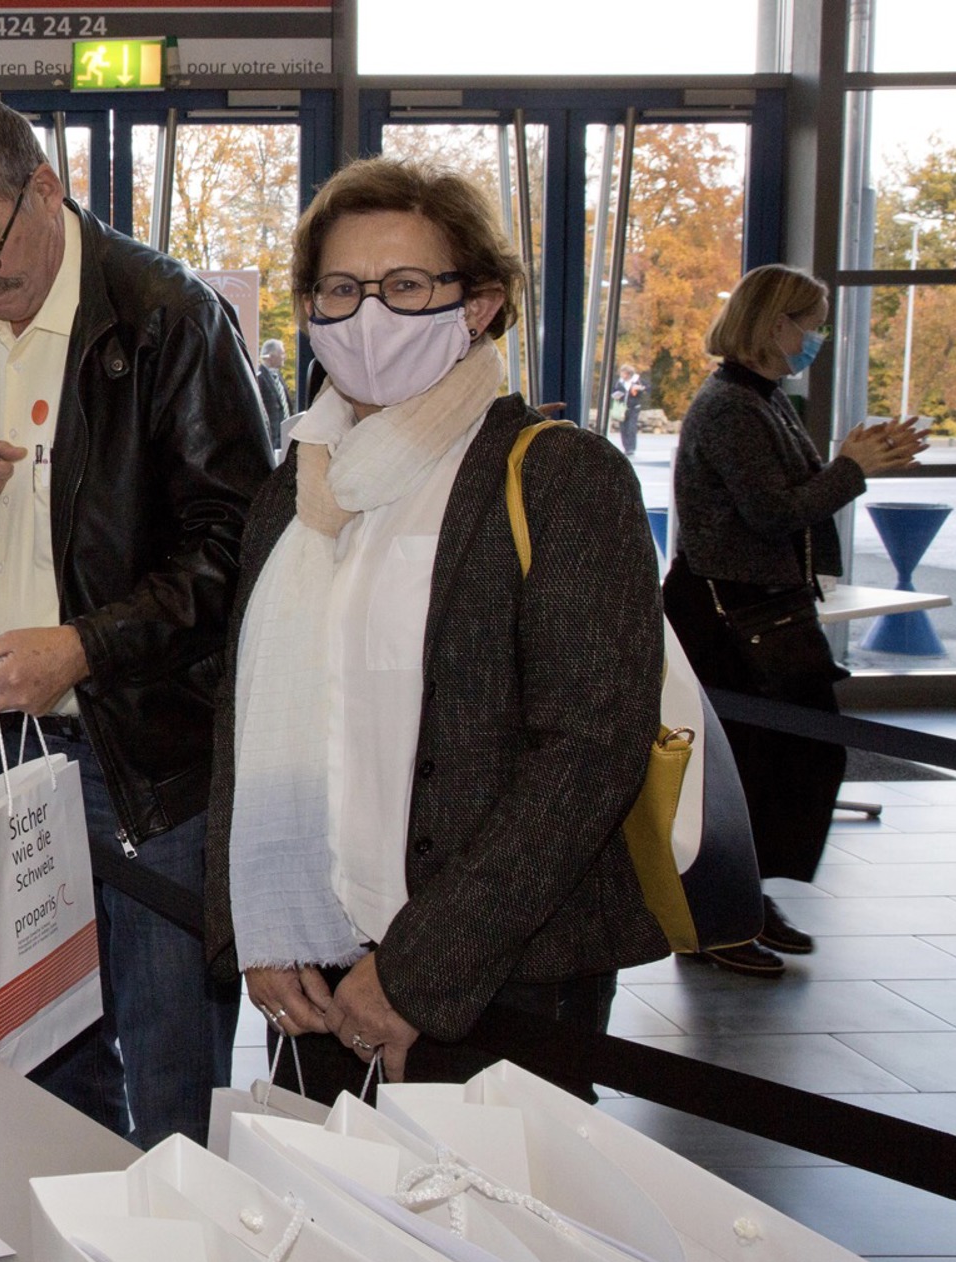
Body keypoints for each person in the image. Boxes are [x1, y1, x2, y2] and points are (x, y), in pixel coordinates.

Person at [204, 156, 671, 1102]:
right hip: (317, 957)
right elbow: (242, 719)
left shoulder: (563, 478)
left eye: (407, 286)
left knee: (492, 1202)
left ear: (480, 304)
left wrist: (419, 971)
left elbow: (589, 750)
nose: (369, 315)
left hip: (502, 971)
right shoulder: (298, 485)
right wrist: (259, 927)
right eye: (341, 289)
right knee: (322, 1195)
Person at [0, 94, 272, 1147]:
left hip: (146, 762)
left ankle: (173, 1244)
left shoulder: (167, 317)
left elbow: (234, 551)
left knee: (171, 1068)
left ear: (44, 190)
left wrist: (84, 647)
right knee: (37, 1054)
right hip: (7, 746)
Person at [663, 263, 926, 976]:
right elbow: (774, 511)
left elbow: (789, 496)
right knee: (756, 768)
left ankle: (740, 905)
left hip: (756, 608)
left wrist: (857, 460)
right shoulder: (732, 407)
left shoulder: (760, 399)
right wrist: (853, 468)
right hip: (731, 615)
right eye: (810, 325)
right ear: (775, 324)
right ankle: (721, 918)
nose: (816, 338)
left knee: (782, 762)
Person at [256, 337, 292, 444]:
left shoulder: (278, 377)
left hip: (284, 437)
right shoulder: (259, 379)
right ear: (271, 356)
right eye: (282, 353)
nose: (284, 357)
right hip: (271, 438)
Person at [613, 363, 647, 454]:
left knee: (631, 427)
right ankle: (626, 447)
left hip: (634, 407)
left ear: (628, 374)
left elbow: (646, 389)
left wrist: (639, 389)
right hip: (622, 408)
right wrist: (616, 395)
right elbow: (613, 391)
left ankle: (631, 447)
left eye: (623, 373)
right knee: (623, 428)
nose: (622, 375)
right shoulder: (618, 382)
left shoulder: (637, 381)